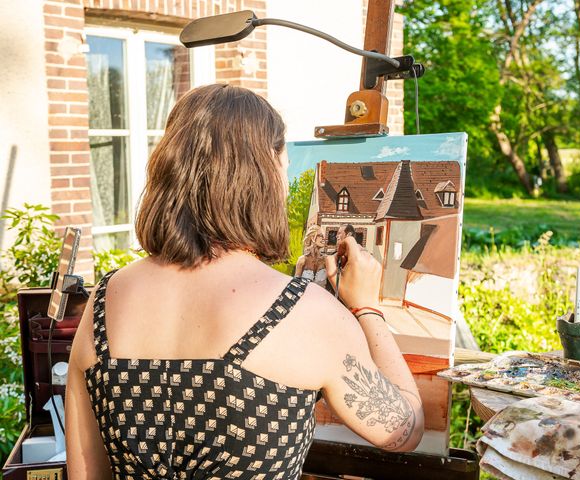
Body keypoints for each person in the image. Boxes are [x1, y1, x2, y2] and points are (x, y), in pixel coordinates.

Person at [65, 84, 424, 479]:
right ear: (263, 175)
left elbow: (85, 472)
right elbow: (403, 430)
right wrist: (367, 307)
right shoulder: (302, 310)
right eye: (284, 167)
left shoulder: (102, 300)